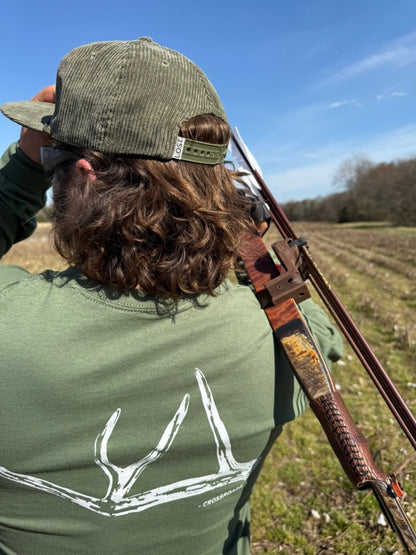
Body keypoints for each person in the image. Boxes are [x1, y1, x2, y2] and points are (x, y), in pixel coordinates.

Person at [0, 38, 343, 554]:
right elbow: (284, 293)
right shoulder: (292, 337)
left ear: (85, 178)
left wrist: (22, 168)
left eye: (53, 161)